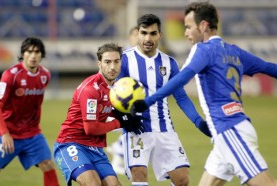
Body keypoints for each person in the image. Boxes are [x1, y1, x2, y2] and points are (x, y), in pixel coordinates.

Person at [131, 2, 277, 186]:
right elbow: (270, 68)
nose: (186, 33)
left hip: (230, 130)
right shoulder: (235, 51)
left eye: (188, 27)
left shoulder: (203, 50)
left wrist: (148, 101)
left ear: (203, 26)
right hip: (225, 134)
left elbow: (182, 78)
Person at [118, 14, 210, 186]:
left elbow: (181, 97)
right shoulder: (124, 60)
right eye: (144, 33)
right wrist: (124, 118)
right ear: (137, 33)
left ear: (160, 34)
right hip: (136, 128)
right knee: (139, 174)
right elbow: (114, 94)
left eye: (153, 33)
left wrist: (198, 122)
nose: (148, 38)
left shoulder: (169, 63)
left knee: (182, 179)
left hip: (164, 128)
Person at [53, 43, 145, 186]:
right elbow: (90, 128)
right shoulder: (91, 89)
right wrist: (121, 123)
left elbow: (112, 110)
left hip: (95, 147)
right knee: (93, 183)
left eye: (116, 61)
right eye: (107, 62)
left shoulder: (117, 88)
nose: (113, 67)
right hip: (71, 143)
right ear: (99, 64)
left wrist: (130, 115)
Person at [0, 37, 60, 186]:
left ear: (42, 55)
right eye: (29, 51)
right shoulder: (10, 75)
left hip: (32, 133)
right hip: (8, 133)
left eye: (37, 52)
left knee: (48, 165)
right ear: (23, 54)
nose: (33, 56)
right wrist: (4, 133)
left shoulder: (45, 75)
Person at [106, 26, 139, 175]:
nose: (137, 38)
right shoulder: (122, 55)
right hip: (118, 99)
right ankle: (117, 153)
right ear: (130, 37)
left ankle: (117, 151)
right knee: (129, 127)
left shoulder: (141, 57)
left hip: (132, 100)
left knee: (131, 128)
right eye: (135, 35)